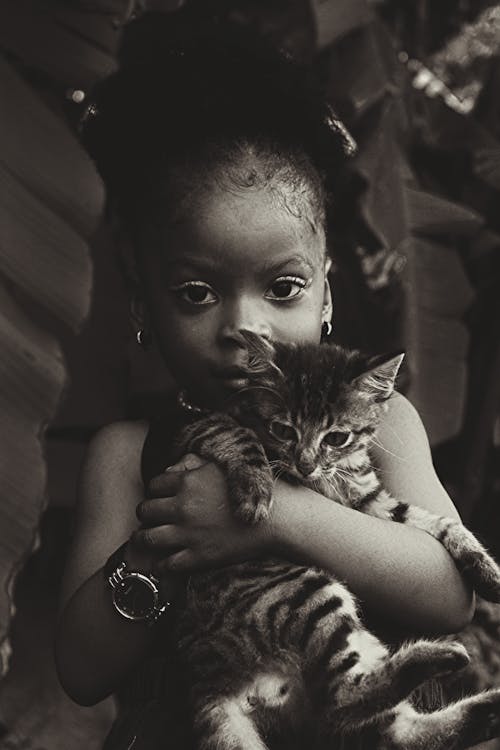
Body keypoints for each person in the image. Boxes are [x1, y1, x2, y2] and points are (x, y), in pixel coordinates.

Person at [55, 12, 474, 749]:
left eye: (282, 288)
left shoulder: (381, 422)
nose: (246, 329)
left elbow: (449, 594)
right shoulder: (130, 454)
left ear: (327, 295)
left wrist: (274, 516)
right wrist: (167, 543)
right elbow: (82, 667)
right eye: (195, 293)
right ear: (142, 301)